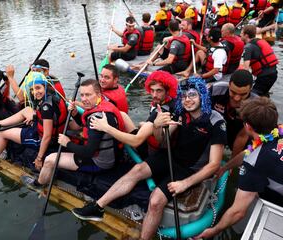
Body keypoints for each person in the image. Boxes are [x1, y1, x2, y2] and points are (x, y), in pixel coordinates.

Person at [71, 77, 227, 240]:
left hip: (189, 169)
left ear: (202, 95)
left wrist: (184, 184)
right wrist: (158, 126)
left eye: (193, 95)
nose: (187, 100)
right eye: (184, 96)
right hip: (170, 155)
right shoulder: (180, 111)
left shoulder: (216, 121)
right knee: (137, 170)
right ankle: (98, 207)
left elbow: (214, 164)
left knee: (155, 201)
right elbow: (161, 142)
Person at [196, 97, 283, 239]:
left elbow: (238, 212)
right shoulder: (279, 130)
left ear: (247, 126)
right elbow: (249, 151)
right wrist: (225, 168)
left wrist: (214, 230)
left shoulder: (254, 163)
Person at [31, 79, 125, 186]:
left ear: (98, 94)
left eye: (88, 95)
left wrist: (67, 143)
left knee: (49, 160)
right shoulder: (104, 104)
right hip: (113, 155)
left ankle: (38, 184)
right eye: (82, 95)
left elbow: (88, 152)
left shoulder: (97, 118)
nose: (84, 99)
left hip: (100, 163)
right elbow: (86, 126)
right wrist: (75, 114)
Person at [0, 72, 68, 171]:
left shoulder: (46, 107)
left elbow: (47, 136)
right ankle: (0, 123)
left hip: (40, 139)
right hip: (45, 128)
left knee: (2, 133)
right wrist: (35, 117)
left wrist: (39, 158)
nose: (35, 92)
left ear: (45, 86)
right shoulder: (54, 96)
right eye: (32, 89)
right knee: (27, 110)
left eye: (38, 88)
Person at [211, 69, 257, 158]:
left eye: (243, 94)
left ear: (250, 89)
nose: (236, 98)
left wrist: (232, 163)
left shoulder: (255, 105)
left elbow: (242, 136)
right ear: (229, 85)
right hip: (218, 126)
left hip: (239, 131)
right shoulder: (215, 90)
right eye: (233, 92)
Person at [240, 25, 278, 96]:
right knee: (262, 94)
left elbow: (245, 69)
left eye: (241, 33)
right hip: (274, 74)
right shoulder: (261, 41)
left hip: (264, 77)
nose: (240, 35)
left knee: (252, 96)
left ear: (246, 35)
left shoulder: (248, 47)